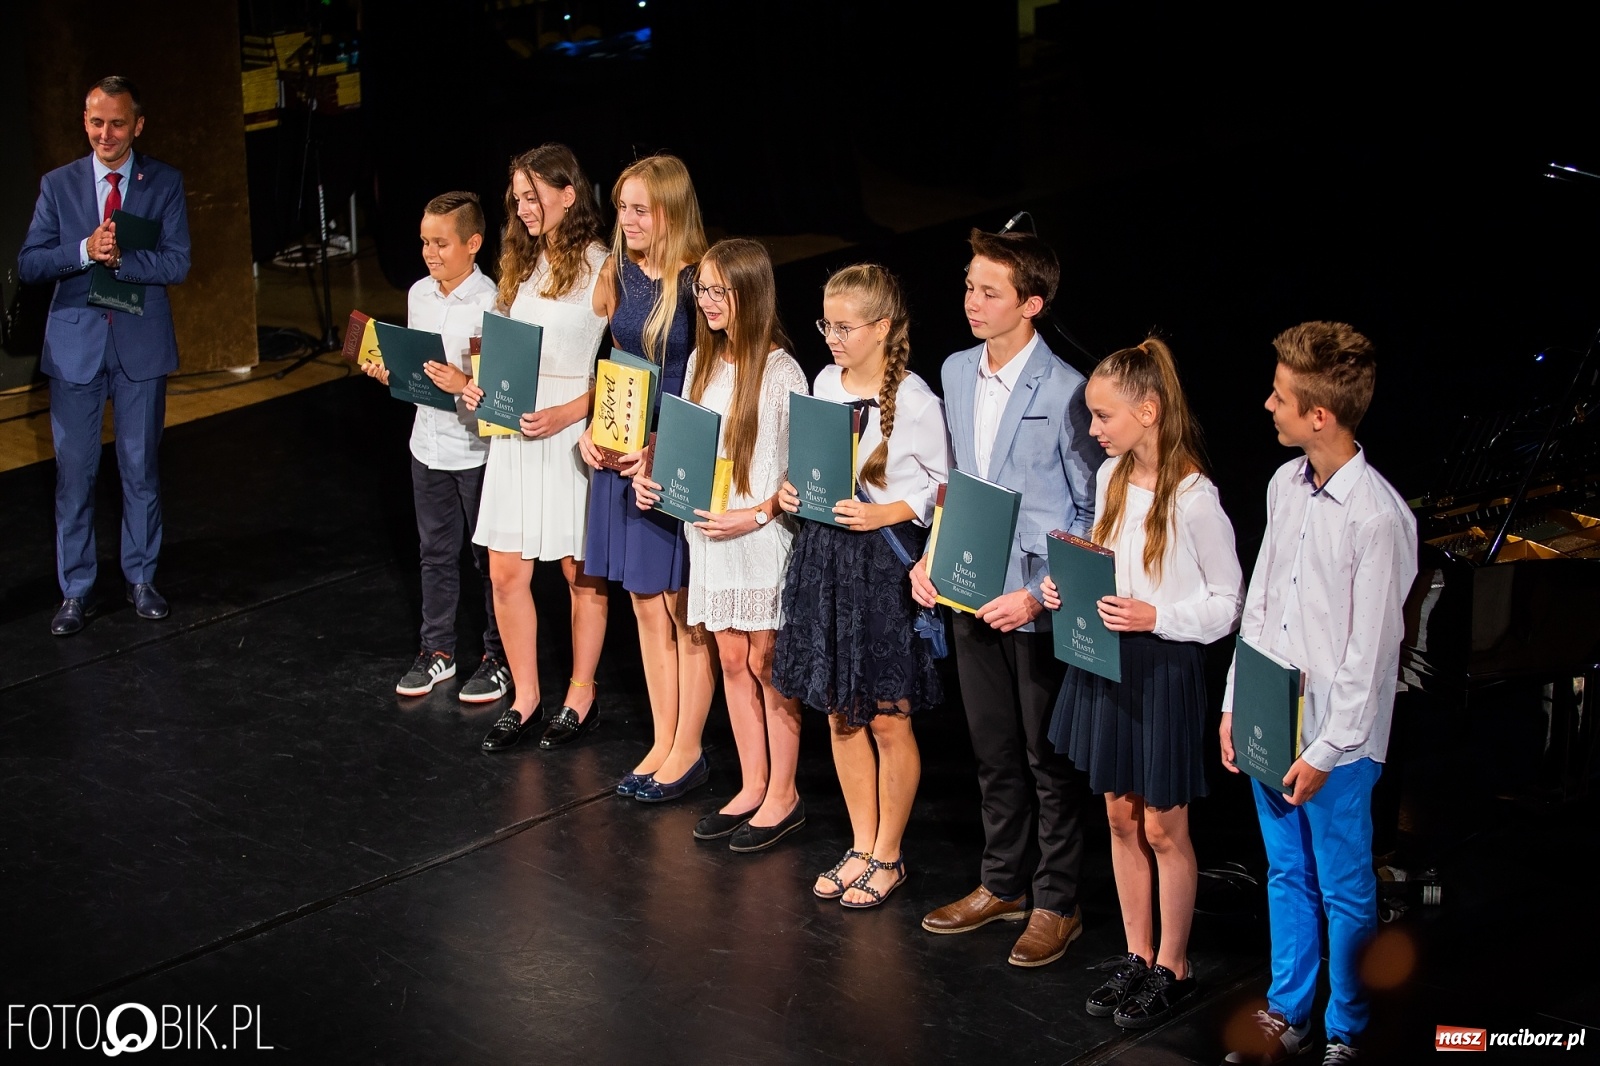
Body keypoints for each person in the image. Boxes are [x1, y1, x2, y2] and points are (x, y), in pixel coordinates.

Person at [1219, 322, 1417, 1066]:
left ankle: (1349, 1029)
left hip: (1341, 740)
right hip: (1277, 718)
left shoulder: (1377, 518)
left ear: (1320, 415)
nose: (1269, 404)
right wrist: (1235, 701)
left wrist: (1329, 751)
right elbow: (1263, 603)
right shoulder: (1282, 485)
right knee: (1286, 872)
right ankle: (1289, 1007)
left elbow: (1371, 660)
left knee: (1344, 888)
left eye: (1281, 395)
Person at [909, 228, 1099, 967]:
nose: (971, 303)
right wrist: (932, 557)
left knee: (1046, 757)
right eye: (968, 286)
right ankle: (1002, 883)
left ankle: (1057, 902)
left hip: (1034, 602)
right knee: (990, 750)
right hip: (971, 588)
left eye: (990, 292)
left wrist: (1040, 599)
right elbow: (957, 482)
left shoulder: (1067, 391)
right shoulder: (957, 371)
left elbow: (1089, 516)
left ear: (1033, 303)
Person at [1040, 339, 1243, 1026]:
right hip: (1108, 660)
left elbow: (1227, 602)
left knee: (1163, 826)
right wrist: (1064, 587)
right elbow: (1105, 560)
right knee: (1119, 817)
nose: (1093, 431)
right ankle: (1137, 951)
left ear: (1148, 411)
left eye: (1104, 417)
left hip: (1163, 668)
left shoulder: (1195, 497)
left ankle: (1174, 964)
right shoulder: (1111, 478)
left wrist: (1160, 615)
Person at [771, 264, 950, 907]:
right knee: (841, 714)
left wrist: (885, 511)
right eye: (827, 324)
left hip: (880, 567)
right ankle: (860, 841)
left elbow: (943, 488)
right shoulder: (825, 381)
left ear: (882, 326)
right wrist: (795, 489)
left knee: (886, 719)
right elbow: (818, 461)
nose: (833, 338)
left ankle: (890, 853)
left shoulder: (918, 401)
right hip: (827, 559)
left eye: (845, 326)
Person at [633, 238, 809, 851]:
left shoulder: (783, 371)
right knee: (732, 661)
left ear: (750, 294)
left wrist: (754, 517)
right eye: (700, 289)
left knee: (767, 664)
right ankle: (752, 783)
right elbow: (689, 446)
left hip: (760, 538)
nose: (705, 302)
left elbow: (797, 477)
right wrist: (658, 480)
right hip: (711, 535)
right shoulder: (702, 365)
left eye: (716, 291)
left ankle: (784, 795)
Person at [19, 76, 190, 636]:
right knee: (75, 475)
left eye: (117, 123)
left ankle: (141, 580)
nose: (105, 134)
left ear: (137, 125)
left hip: (140, 345)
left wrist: (121, 262)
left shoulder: (163, 181)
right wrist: (83, 251)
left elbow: (177, 263)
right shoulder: (58, 184)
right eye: (96, 122)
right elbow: (30, 264)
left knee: (140, 471)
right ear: (84, 122)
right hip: (75, 349)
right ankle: (76, 590)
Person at [575, 155, 717, 799]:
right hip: (621, 448)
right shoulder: (619, 269)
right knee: (641, 601)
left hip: (672, 455)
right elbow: (612, 355)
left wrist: (662, 446)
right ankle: (663, 739)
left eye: (641, 209)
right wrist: (595, 426)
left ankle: (688, 749)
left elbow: (713, 379)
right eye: (622, 207)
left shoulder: (698, 280)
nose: (628, 221)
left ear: (671, 211)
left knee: (681, 608)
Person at [467, 145, 610, 752]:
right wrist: (484, 387)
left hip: (569, 434)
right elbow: (505, 348)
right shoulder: (519, 263)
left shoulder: (605, 267)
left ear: (568, 194)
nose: (524, 209)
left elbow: (632, 369)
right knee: (505, 572)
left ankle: (581, 694)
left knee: (579, 575)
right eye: (518, 199)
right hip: (516, 436)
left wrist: (572, 412)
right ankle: (525, 698)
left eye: (535, 196)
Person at [360, 192, 506, 701]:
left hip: (478, 452)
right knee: (434, 554)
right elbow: (416, 374)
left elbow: (499, 388)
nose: (430, 253)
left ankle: (497, 657)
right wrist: (390, 373)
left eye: (441, 243)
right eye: (424, 242)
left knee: (489, 560)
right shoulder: (419, 294)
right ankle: (438, 650)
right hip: (428, 446)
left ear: (473, 244)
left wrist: (461, 380)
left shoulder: (493, 302)